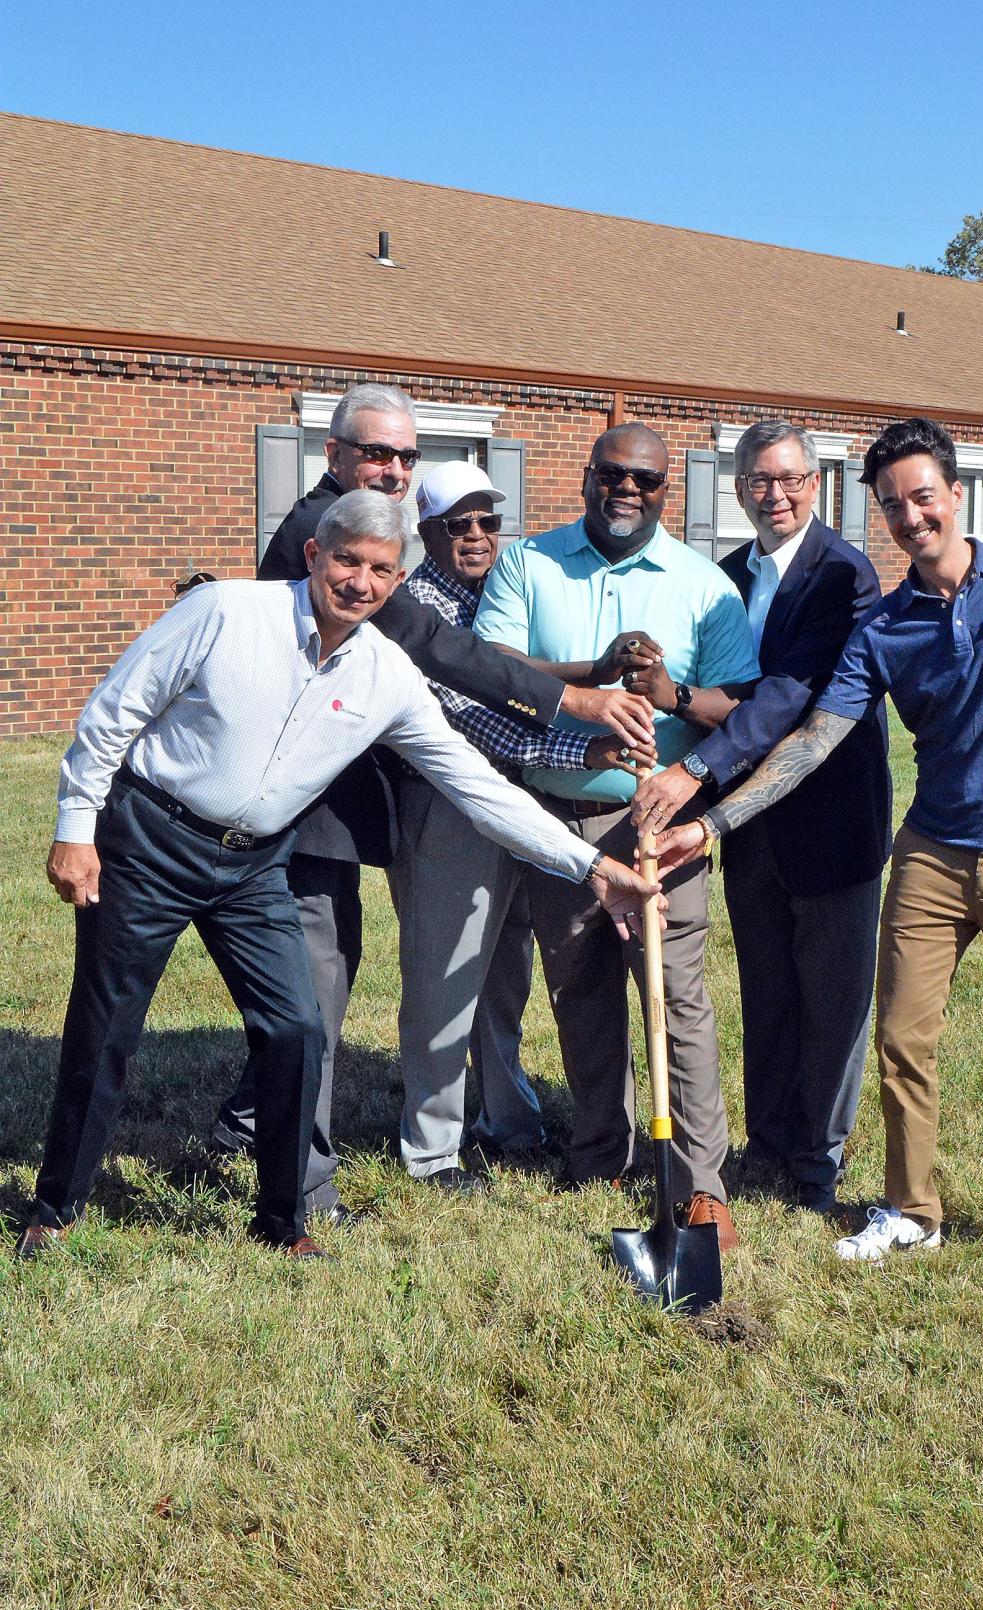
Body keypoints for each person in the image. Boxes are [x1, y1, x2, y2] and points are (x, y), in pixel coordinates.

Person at [16, 492, 659, 1264]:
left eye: (380, 569)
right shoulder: (225, 612)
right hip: (150, 838)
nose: (360, 581)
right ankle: (55, 1208)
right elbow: (113, 712)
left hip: (254, 863)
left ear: (396, 582)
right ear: (315, 555)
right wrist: (75, 828)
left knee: (296, 1028)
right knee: (107, 1026)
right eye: (347, 560)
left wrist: (588, 865)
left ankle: (283, 1220)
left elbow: (475, 787)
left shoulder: (388, 674)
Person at [653, 417, 983, 1294]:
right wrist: (715, 823)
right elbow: (811, 742)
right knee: (902, 1039)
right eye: (894, 505)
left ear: (956, 495)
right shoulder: (885, 623)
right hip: (932, 853)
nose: (912, 516)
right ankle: (913, 1211)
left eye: (923, 497)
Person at [212, 384, 653, 1220]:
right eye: (376, 453)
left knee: (408, 985)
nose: (390, 469)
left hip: (365, 809)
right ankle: (307, 1171)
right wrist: (579, 710)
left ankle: (257, 1123)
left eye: (405, 458)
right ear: (334, 453)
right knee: (322, 992)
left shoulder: (461, 571)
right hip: (309, 813)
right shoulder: (333, 539)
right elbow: (452, 682)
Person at [474, 423, 760, 1251]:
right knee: (580, 993)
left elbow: (743, 712)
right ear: (587, 476)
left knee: (674, 995)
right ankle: (600, 1148)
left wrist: (673, 695)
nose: (627, 490)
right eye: (612, 474)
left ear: (669, 490)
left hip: (656, 826)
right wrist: (593, 673)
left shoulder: (703, 585)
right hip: (560, 822)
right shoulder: (530, 563)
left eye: (646, 479)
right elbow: (490, 670)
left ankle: (699, 1186)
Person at [631, 421, 890, 1213]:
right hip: (749, 826)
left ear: (817, 484)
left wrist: (696, 768)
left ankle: (820, 1157)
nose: (773, 495)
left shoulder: (844, 576)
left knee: (833, 996)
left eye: (788, 479)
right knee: (768, 988)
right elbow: (728, 689)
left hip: (830, 818)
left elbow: (786, 697)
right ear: (738, 487)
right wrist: (668, 696)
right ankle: (771, 1139)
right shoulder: (728, 576)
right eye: (756, 481)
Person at [389, 461, 630, 1192]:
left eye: (488, 521)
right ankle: (431, 1150)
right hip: (450, 807)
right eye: (456, 524)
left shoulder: (502, 590)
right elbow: (478, 721)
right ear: (425, 532)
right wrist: (586, 742)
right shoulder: (414, 610)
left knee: (506, 971)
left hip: (524, 802)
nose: (475, 536)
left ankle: (508, 1115)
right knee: (445, 974)